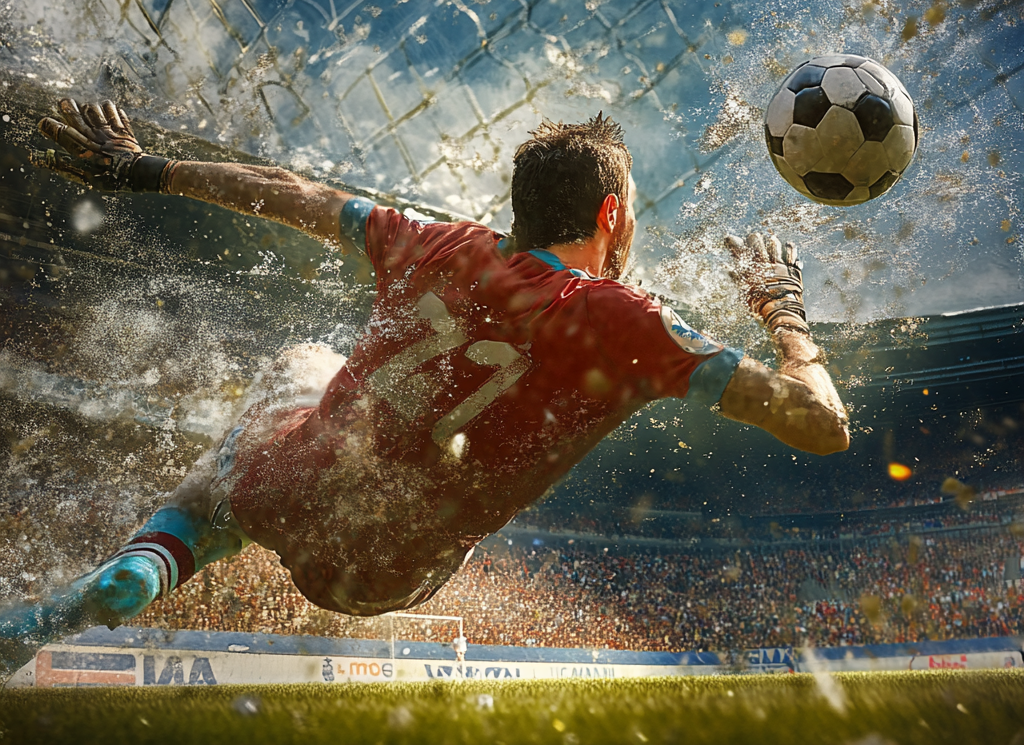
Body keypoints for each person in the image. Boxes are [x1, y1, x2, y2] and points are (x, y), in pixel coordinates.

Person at [0, 100, 848, 676]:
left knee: (302, 361)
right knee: (406, 455)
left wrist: (146, 169)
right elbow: (821, 427)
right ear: (612, 216)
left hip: (287, 496)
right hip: (384, 575)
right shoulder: (628, 322)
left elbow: (285, 194)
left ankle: (145, 566)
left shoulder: (440, 244)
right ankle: (150, 565)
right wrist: (784, 314)